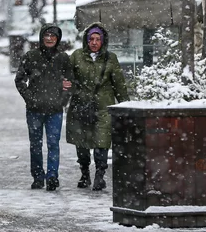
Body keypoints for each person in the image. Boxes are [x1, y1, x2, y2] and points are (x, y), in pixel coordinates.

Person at [66, 22, 129, 191]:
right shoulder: (76, 56)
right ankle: (85, 173)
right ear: (86, 40)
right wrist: (69, 90)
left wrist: (126, 106)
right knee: (82, 143)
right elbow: (68, 79)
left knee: (102, 142)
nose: (94, 42)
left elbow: (119, 85)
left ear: (103, 41)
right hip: (81, 107)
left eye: (97, 39)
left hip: (103, 108)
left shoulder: (111, 58)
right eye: (91, 39)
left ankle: (100, 175)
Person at [14, 24, 73, 191]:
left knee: (53, 144)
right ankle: (38, 176)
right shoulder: (31, 57)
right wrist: (30, 99)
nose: (49, 38)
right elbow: (19, 80)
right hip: (35, 110)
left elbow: (70, 83)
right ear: (41, 37)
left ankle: (52, 176)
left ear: (58, 38)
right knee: (36, 144)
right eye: (46, 35)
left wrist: (62, 101)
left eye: (53, 35)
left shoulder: (63, 59)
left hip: (55, 110)